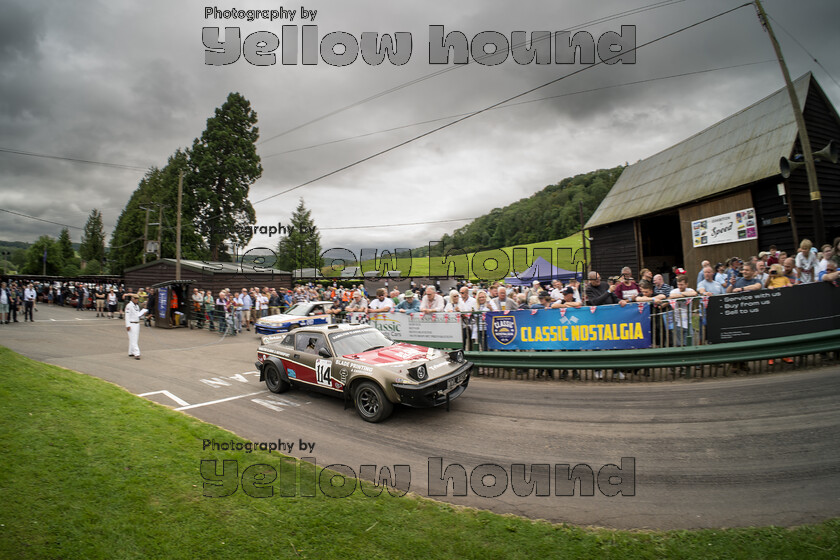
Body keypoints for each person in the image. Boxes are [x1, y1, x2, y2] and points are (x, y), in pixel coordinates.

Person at [125, 294, 148, 360]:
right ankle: (137, 353)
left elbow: (137, 315)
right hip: (131, 323)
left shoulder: (137, 306)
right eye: (135, 299)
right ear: (132, 299)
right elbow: (127, 316)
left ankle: (131, 352)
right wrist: (128, 325)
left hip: (137, 323)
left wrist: (142, 314)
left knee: (134, 338)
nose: (136, 300)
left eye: (137, 299)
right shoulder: (129, 306)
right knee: (133, 339)